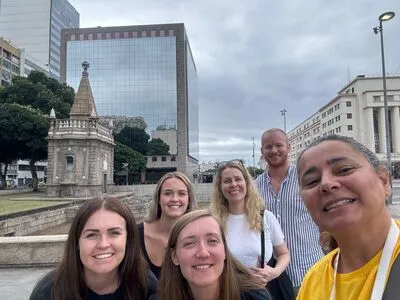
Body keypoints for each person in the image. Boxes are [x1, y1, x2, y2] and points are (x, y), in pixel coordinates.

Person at [296, 134, 400, 300]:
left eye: (344, 170)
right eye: (312, 181)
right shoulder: (313, 281)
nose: (326, 184)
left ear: (384, 181)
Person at [29, 196, 157, 300]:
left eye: (114, 233)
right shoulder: (48, 293)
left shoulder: (146, 286)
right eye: (92, 235)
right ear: (77, 242)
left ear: (128, 239)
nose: (103, 244)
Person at [211, 159, 292, 300]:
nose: (234, 184)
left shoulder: (266, 217)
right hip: (229, 293)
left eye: (238, 179)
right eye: (227, 181)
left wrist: (274, 272)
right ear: (220, 187)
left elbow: (283, 254)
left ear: (247, 183)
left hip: (264, 292)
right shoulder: (213, 221)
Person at [255, 128, 323, 294]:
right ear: (262, 151)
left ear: (289, 147)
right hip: (271, 277)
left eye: (279, 145)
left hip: (309, 269)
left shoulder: (306, 180)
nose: (273, 150)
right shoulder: (255, 187)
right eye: (268, 147)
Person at [157, 209, 272, 300]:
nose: (203, 253)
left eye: (212, 241)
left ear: (225, 251)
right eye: (189, 243)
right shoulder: (162, 295)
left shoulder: (254, 296)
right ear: (174, 256)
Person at [137, 171, 196, 278]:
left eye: (181, 193)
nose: (174, 199)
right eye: (168, 193)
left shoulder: (197, 239)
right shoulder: (135, 234)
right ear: (159, 199)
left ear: (189, 200)